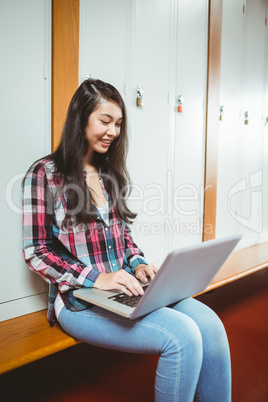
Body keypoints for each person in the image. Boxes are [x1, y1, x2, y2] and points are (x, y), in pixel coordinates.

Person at [22, 78, 231, 401]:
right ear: (81, 119)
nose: (113, 131)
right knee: (183, 337)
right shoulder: (45, 173)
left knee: (211, 326)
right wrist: (98, 277)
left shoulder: (107, 172)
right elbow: (35, 251)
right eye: (105, 121)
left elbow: (122, 236)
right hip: (79, 301)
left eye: (118, 123)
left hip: (126, 288)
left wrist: (138, 262)